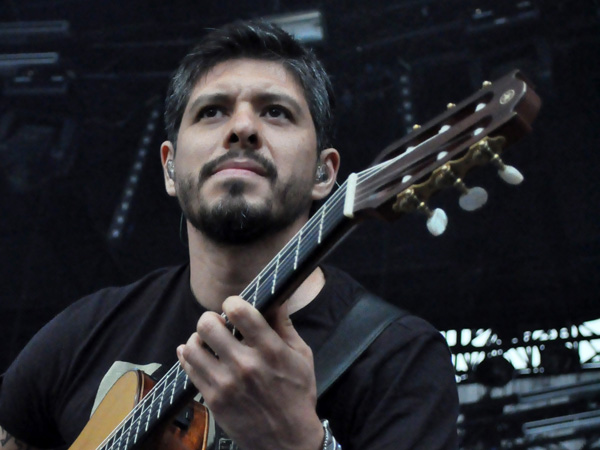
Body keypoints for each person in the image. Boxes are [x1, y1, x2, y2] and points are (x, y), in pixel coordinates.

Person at [0, 21, 458, 450]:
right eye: (212, 111)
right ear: (170, 168)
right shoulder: (83, 333)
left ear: (325, 173)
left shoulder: (399, 359)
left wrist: (300, 443)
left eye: (276, 112)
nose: (242, 128)